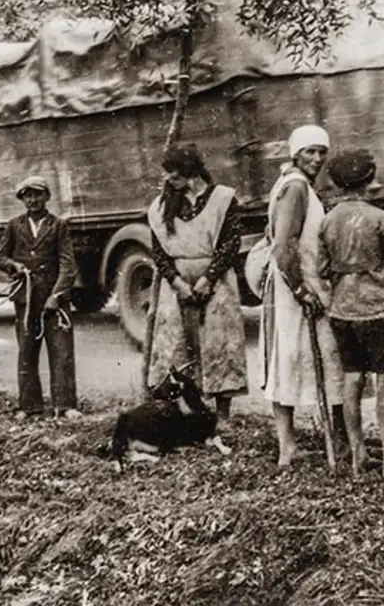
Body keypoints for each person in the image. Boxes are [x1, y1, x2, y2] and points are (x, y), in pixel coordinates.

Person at [318, 149, 384, 478]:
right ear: (368, 181)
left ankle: (358, 456)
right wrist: (379, 275)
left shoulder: (327, 220)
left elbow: (321, 267)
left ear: (336, 183)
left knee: (352, 378)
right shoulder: (381, 219)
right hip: (378, 309)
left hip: (342, 310)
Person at [258, 124, 346, 467]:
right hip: (297, 287)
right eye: (309, 151)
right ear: (295, 153)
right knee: (294, 358)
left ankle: (291, 445)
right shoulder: (295, 187)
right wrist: (299, 288)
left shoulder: (297, 185)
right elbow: (283, 246)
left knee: (294, 359)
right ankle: (291, 446)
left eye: (322, 152)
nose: (317, 158)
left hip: (301, 284)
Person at [145, 143, 248, 419]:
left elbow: (230, 242)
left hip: (214, 280)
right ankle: (183, 413)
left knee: (219, 342)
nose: (168, 179)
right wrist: (177, 282)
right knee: (176, 346)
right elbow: (159, 251)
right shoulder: (161, 208)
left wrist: (208, 279)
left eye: (174, 173)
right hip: (177, 283)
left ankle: (223, 415)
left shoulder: (223, 199)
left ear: (191, 171)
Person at [0, 176, 80, 419]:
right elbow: (0, 257)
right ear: (22, 199)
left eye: (38, 195)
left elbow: (68, 265)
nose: (33, 200)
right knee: (27, 351)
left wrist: (57, 295)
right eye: (28, 195)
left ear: (47, 197)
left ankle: (65, 405)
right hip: (25, 299)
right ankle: (30, 406)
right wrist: (15, 266)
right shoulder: (13, 225)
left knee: (61, 351)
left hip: (54, 300)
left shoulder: (58, 225)